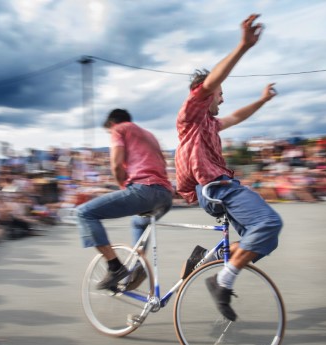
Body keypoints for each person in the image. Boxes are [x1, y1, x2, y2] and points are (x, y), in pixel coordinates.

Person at [175, 14, 283, 321]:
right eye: (219, 93)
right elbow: (210, 84)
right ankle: (223, 281)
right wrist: (243, 46)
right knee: (269, 223)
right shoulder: (190, 116)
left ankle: (210, 261)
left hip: (220, 187)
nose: (222, 97)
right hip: (214, 187)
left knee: (265, 239)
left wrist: (262, 100)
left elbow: (236, 116)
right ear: (205, 94)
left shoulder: (210, 122)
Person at [77, 109, 174, 290]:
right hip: (165, 195)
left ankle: (115, 268)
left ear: (113, 123)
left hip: (144, 190)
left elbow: (116, 165)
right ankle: (138, 267)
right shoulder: (149, 135)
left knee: (84, 213)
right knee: (138, 223)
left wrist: (125, 188)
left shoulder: (119, 129)